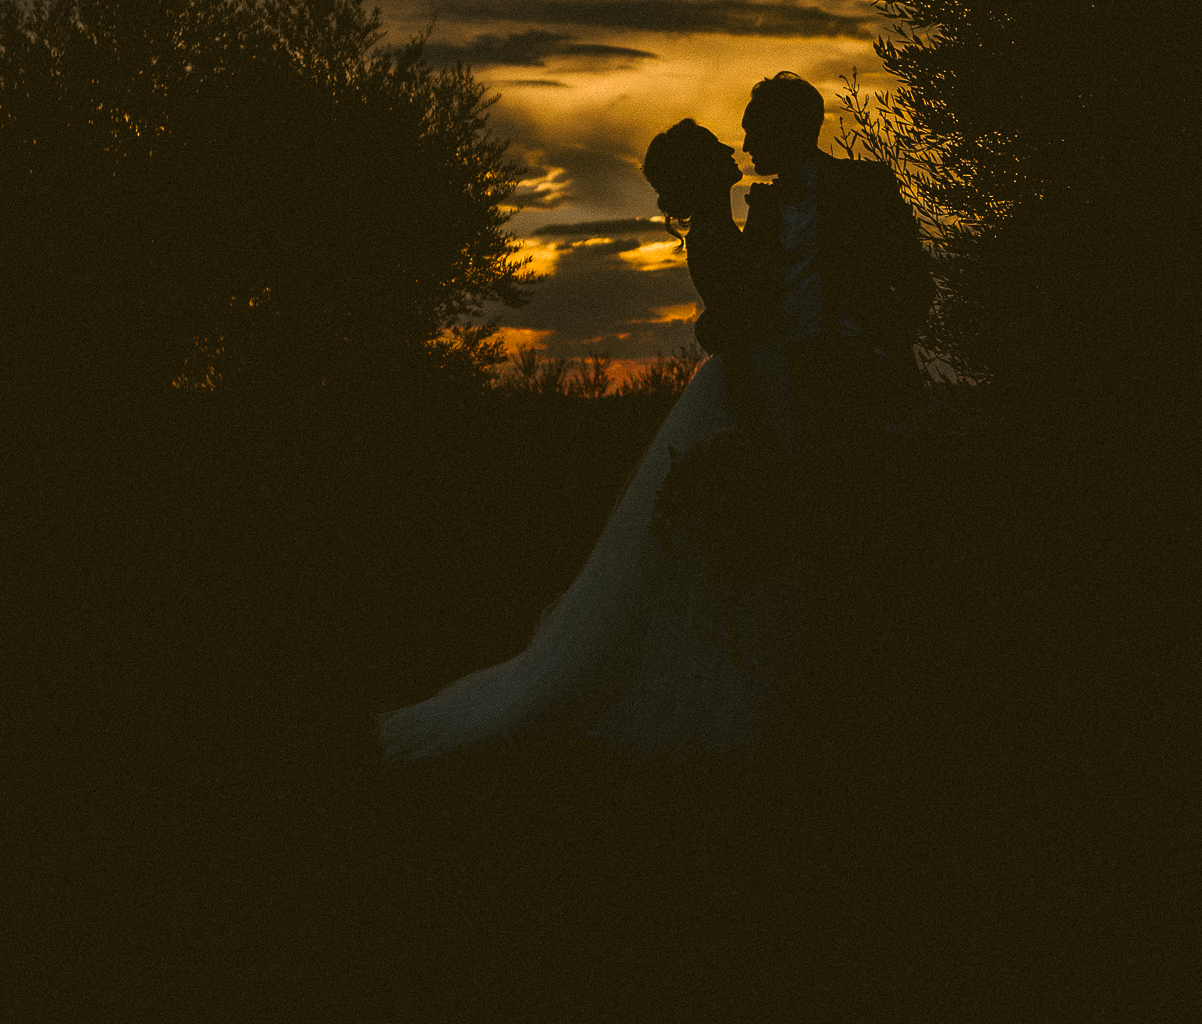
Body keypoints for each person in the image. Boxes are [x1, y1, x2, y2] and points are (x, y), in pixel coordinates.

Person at [375, 73, 933, 766]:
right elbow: (739, 307)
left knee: (835, 533)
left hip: (836, 387)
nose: (746, 142)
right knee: (781, 530)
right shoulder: (744, 218)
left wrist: (874, 345)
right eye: (742, 135)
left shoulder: (861, 188)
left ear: (796, 127)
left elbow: (906, 282)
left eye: (756, 129)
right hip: (765, 388)